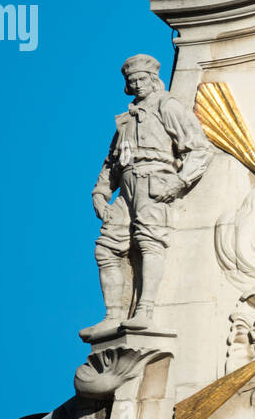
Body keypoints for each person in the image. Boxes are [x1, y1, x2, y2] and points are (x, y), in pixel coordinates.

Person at [79, 55, 211, 341]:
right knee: (106, 249)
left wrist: (179, 181)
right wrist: (100, 194)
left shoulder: (167, 105)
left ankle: (146, 310)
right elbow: (111, 163)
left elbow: (199, 147)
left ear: (153, 80)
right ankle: (113, 316)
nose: (137, 84)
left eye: (142, 79)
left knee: (149, 242)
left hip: (153, 181)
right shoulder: (126, 118)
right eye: (132, 81)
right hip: (125, 189)